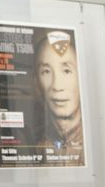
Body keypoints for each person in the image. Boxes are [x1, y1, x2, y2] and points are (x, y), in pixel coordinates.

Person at [34, 30, 84, 164]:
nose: (57, 85)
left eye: (67, 71)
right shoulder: (35, 146)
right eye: (46, 72)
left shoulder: (97, 140)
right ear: (36, 82)